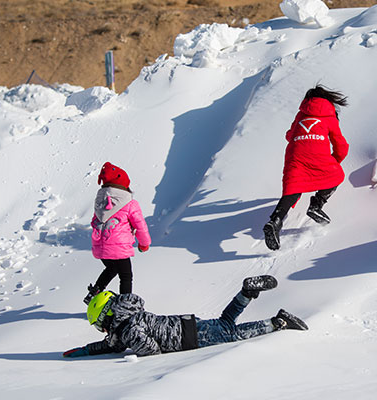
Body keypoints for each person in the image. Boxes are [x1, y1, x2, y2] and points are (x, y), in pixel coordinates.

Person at [63, 275, 308, 358]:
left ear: (106, 318)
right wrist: (82, 350)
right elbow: (110, 347)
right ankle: (247, 292)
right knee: (225, 323)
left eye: (100, 326)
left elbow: (151, 350)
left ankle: (278, 322)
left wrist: (137, 347)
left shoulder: (128, 331)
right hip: (186, 324)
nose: (103, 331)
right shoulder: (131, 318)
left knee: (231, 334)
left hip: (188, 338)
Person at [263, 84, 350, 250]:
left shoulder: (301, 114)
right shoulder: (329, 117)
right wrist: (334, 162)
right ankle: (316, 205)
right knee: (336, 176)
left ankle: (275, 221)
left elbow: (290, 135)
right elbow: (341, 146)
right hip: (319, 155)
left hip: (295, 156)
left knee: (293, 188)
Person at [83, 162, 151, 304]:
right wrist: (144, 244)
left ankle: (94, 292)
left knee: (111, 268)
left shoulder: (100, 201)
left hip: (100, 247)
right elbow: (140, 225)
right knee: (126, 276)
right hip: (119, 248)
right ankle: (126, 306)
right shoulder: (130, 203)